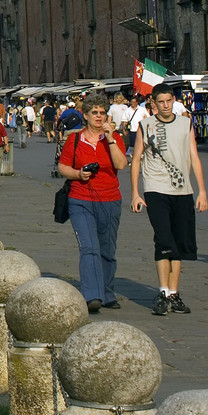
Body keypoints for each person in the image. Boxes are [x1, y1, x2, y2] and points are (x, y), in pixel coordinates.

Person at [130, 85, 208, 316]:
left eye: (168, 101)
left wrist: (201, 191)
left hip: (183, 190)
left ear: (173, 100)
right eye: (160, 102)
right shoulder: (146, 125)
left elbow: (194, 155)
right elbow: (136, 159)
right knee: (164, 240)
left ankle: (174, 293)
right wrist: (135, 192)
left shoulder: (186, 123)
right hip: (156, 189)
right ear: (153, 103)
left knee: (179, 244)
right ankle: (163, 292)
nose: (165, 106)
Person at [57, 98, 129, 313]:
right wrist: (78, 174)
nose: (99, 116)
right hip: (80, 199)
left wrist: (111, 140)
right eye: (95, 112)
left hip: (110, 199)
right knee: (89, 247)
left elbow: (121, 164)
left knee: (107, 250)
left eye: (102, 112)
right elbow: (63, 167)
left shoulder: (114, 138)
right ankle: (92, 295)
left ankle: (107, 293)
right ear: (85, 116)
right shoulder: (75, 139)